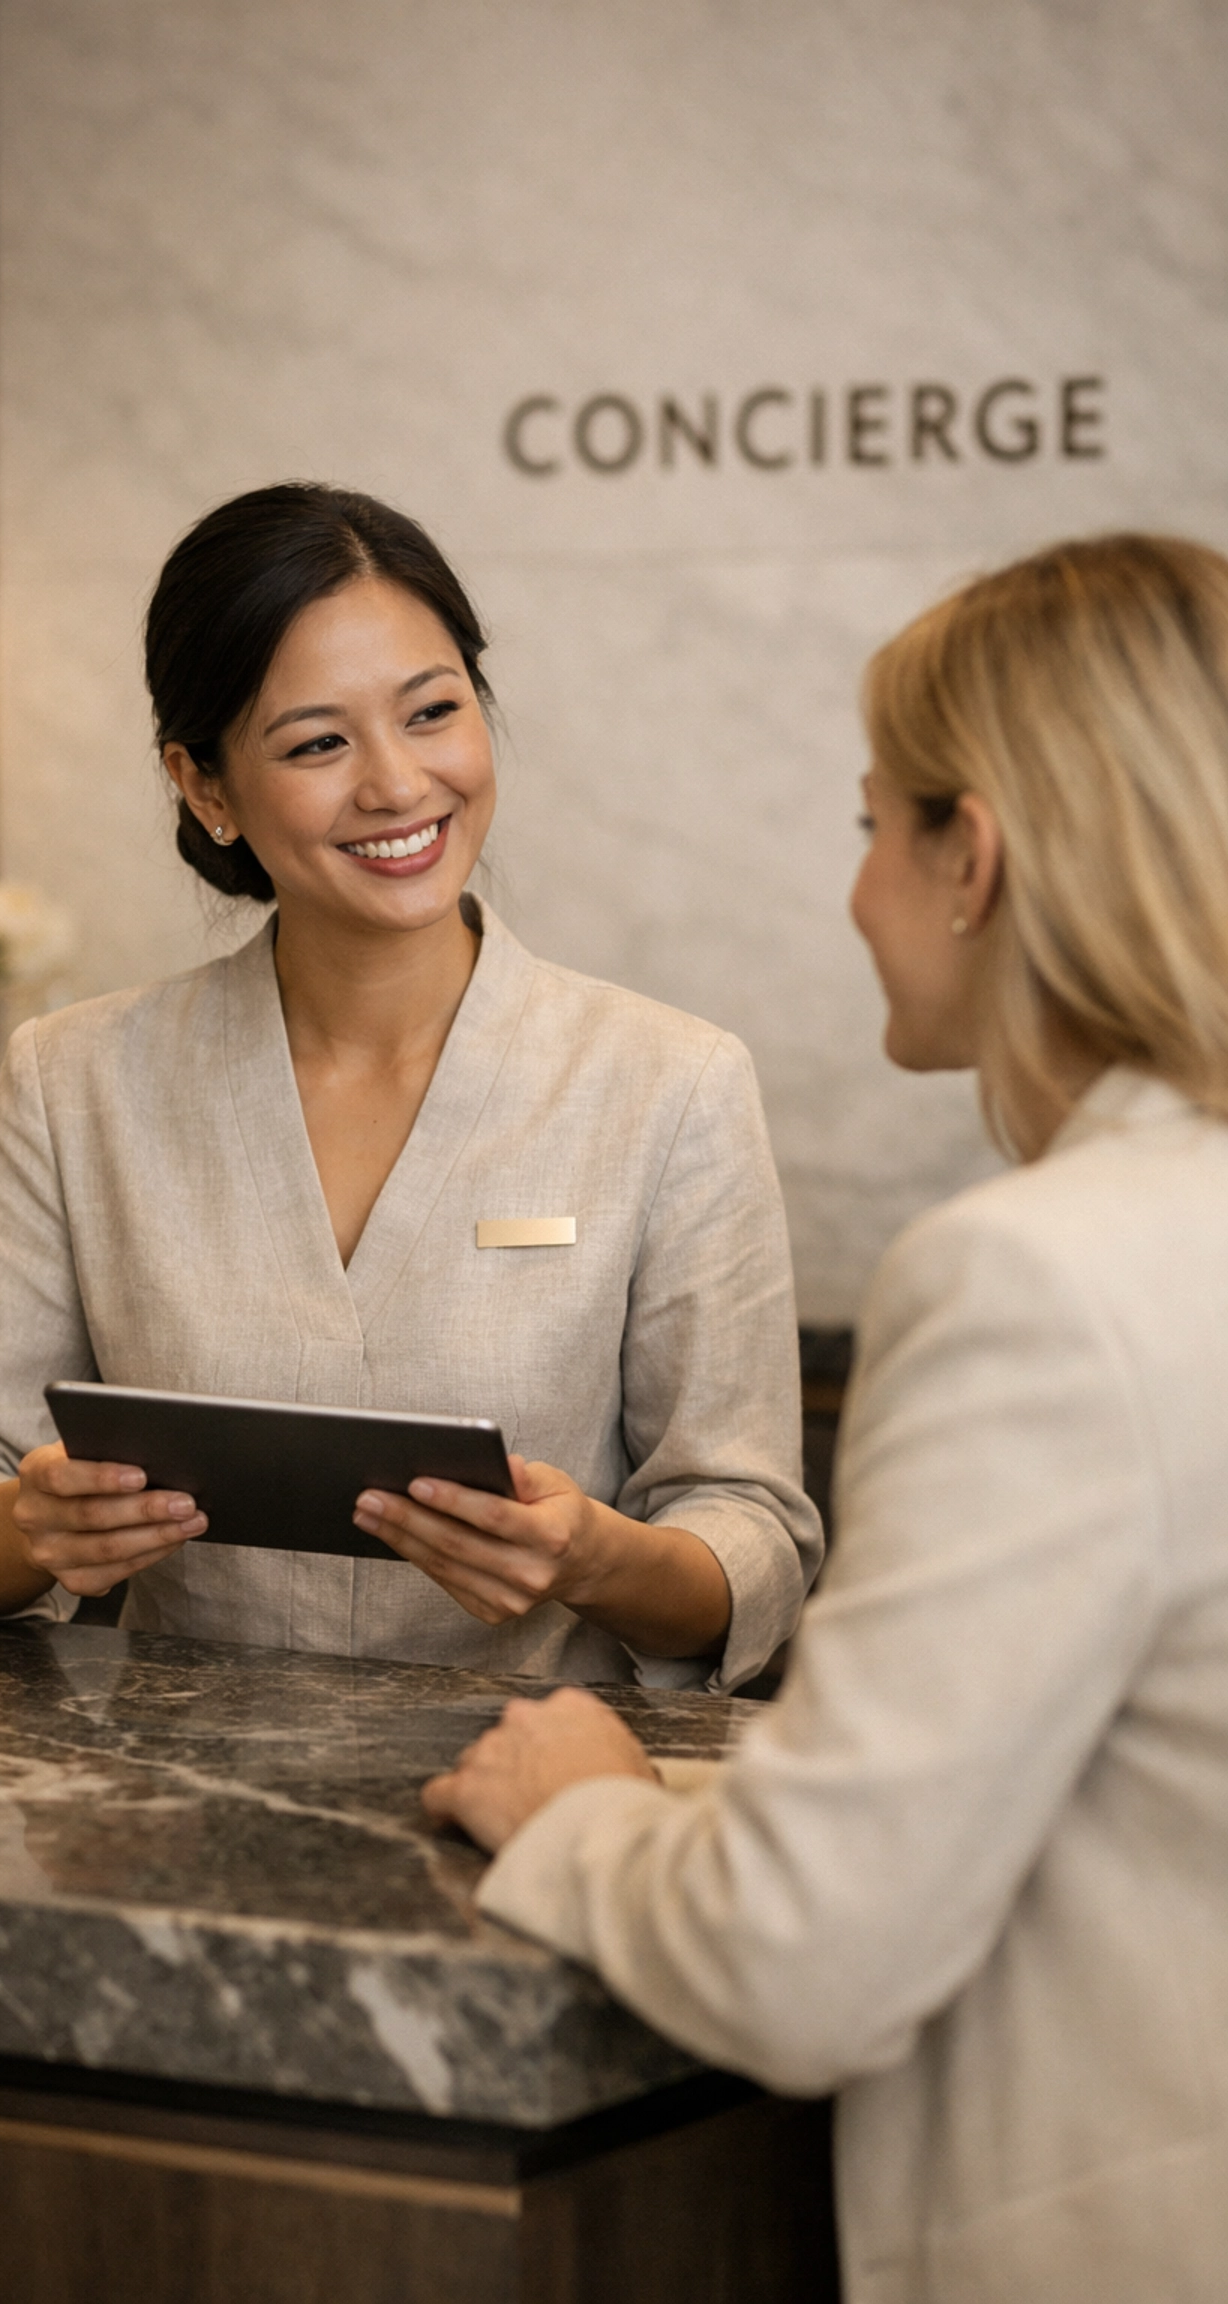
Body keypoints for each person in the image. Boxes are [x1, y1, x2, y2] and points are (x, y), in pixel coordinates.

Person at [426, 533, 1228, 2299]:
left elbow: (804, 1955)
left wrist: (585, 1802)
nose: (856, 890)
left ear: (976, 855)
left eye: (872, 826)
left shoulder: (1038, 1283)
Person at [0, 483, 820, 1688]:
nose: (397, 785)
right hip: (170, 1810)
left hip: (544, 1811)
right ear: (206, 787)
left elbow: (748, 1535)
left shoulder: (670, 1084)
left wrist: (593, 1558)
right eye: (318, 742)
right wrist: (25, 1527)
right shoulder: (76, 1083)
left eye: (433, 712)